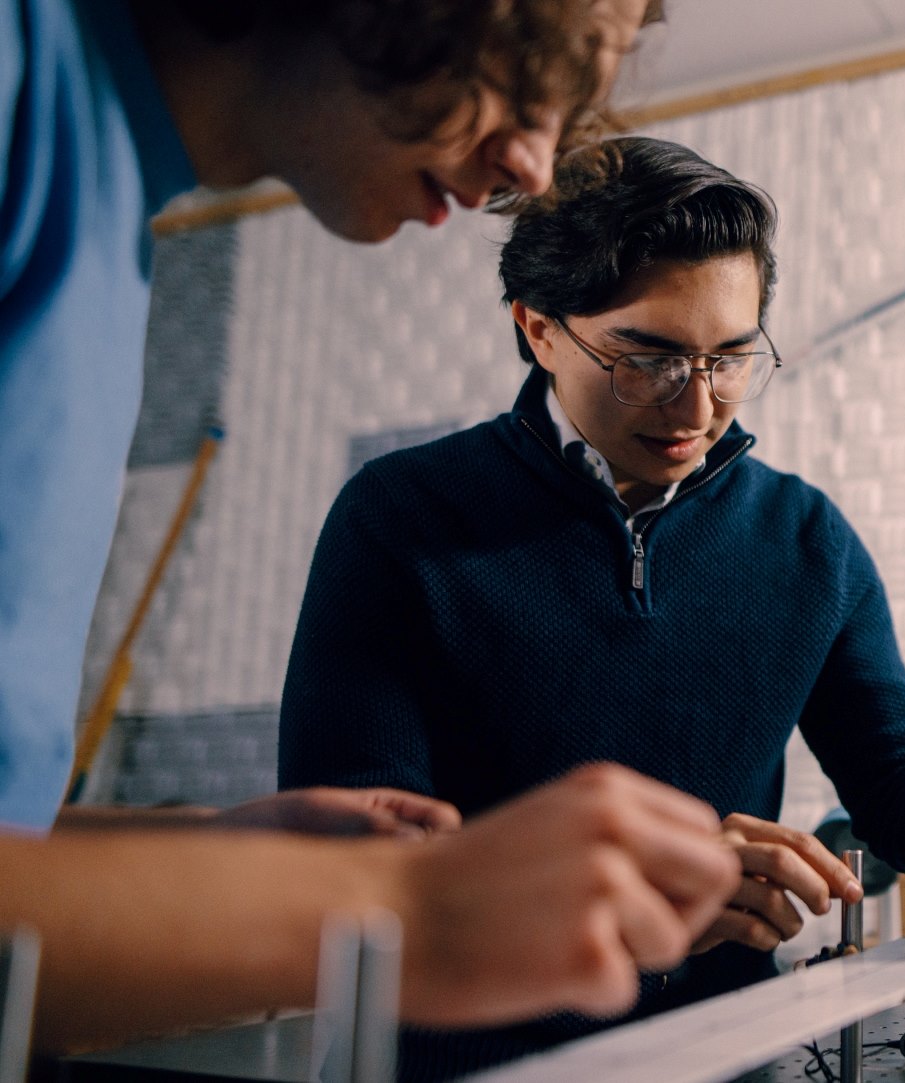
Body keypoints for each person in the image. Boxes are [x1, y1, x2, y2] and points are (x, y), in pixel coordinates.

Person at [277, 135, 905, 1081]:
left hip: (722, 1054)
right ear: (538, 328)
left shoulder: (807, 540)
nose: (697, 406)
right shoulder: (402, 517)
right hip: (460, 1055)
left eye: (732, 357)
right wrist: (637, 885)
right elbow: (356, 849)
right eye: (647, 359)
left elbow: (900, 778)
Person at [0, 0, 743, 1057]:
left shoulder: (113, 218)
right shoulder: (21, 82)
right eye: (516, 70)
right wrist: (392, 908)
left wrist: (218, 859)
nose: (533, 166)